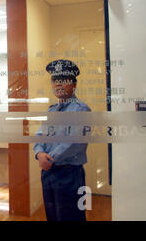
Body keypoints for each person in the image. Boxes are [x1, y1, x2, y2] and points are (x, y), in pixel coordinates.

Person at [33, 59, 91, 221]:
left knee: (71, 217)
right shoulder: (52, 109)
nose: (58, 85)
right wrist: (39, 153)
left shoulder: (81, 109)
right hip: (49, 172)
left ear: (73, 85)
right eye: (55, 81)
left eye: (64, 81)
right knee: (52, 216)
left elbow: (74, 142)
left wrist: (50, 158)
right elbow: (40, 135)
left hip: (69, 174)